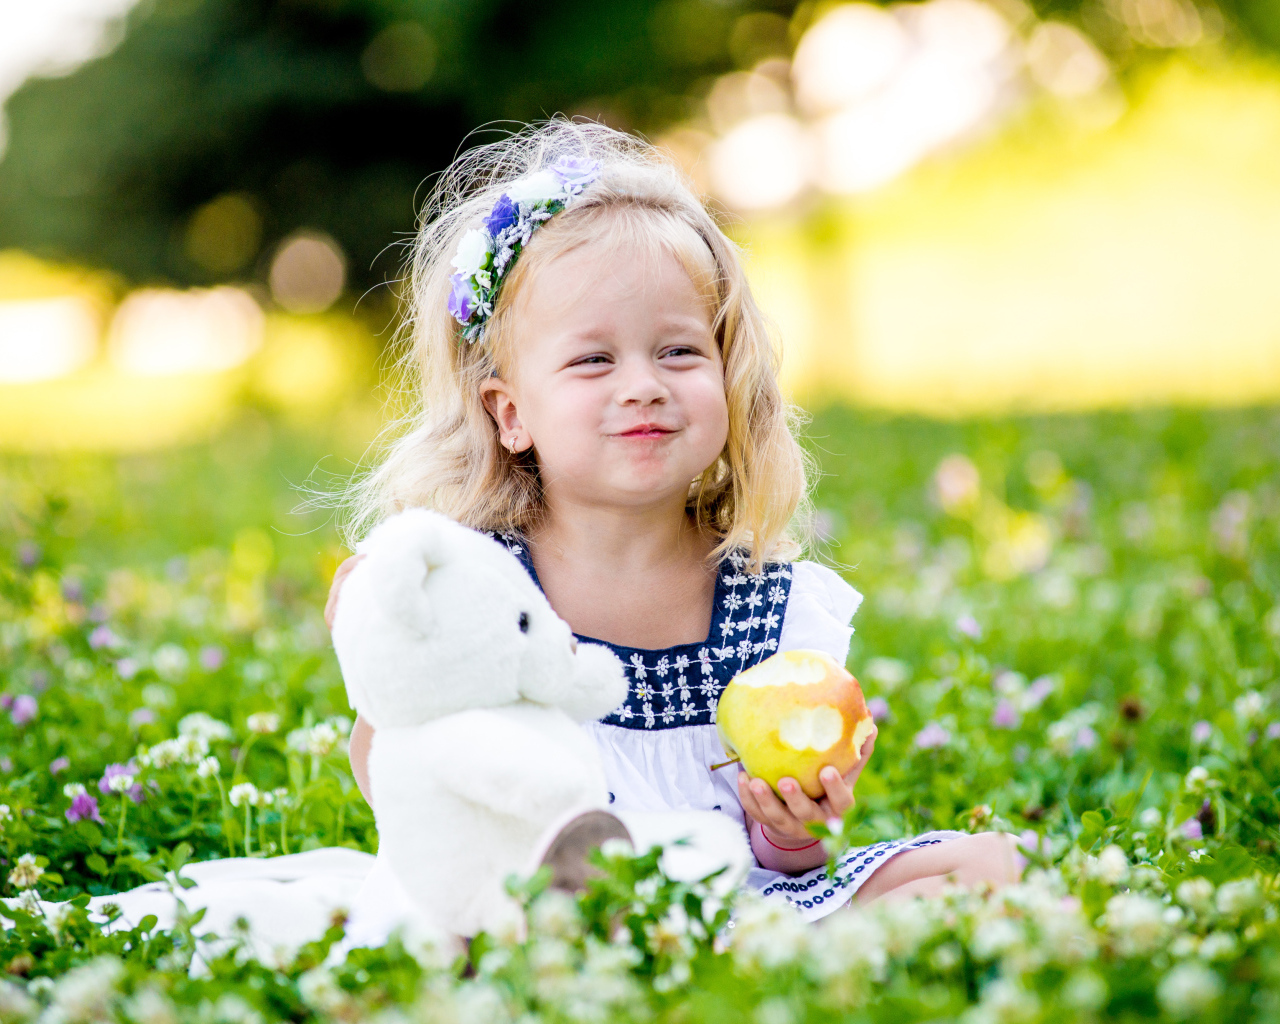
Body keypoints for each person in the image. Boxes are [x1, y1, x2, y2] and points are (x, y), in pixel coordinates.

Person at [324, 119, 1022, 923]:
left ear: (728, 375)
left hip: (734, 894)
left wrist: (791, 827)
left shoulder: (766, 605)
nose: (644, 385)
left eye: (679, 352)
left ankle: (758, 957)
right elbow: (405, 782)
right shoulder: (482, 592)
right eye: (594, 360)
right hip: (556, 903)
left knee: (992, 862)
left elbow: (782, 860)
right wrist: (389, 658)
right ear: (509, 413)